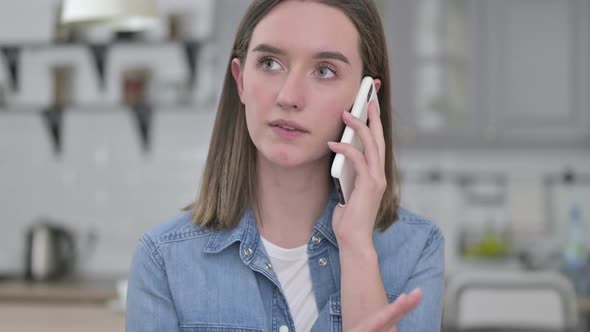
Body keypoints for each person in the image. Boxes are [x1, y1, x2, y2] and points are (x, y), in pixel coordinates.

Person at [126, 0, 445, 331]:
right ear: (241, 81)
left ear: (366, 101)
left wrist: (357, 246)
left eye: (324, 70)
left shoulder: (417, 249)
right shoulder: (162, 259)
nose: (289, 96)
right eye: (269, 63)